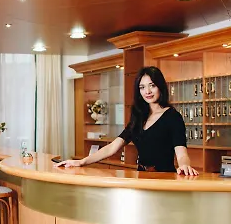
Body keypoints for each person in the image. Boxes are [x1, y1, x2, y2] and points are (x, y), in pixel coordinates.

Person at [57, 66, 199, 176]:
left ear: (160, 87)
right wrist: (82, 162)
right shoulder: (139, 116)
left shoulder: (172, 117)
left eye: (152, 85)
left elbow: (181, 153)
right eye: (142, 87)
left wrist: (184, 165)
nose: (147, 91)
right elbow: (112, 147)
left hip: (164, 179)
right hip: (141, 178)